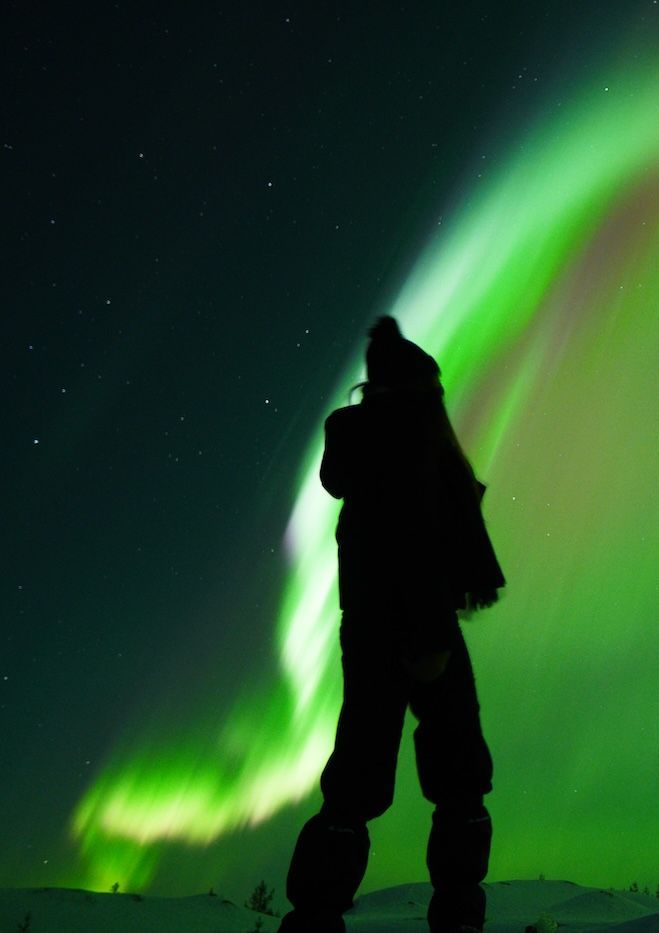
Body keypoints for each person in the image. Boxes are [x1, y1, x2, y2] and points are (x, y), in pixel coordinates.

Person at [279, 316, 505, 933]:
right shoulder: (412, 438)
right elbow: (415, 535)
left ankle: (315, 917)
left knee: (358, 772)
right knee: (456, 775)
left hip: (371, 620)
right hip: (417, 620)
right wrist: (430, 636)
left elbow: (336, 484)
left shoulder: (356, 431)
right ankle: (456, 917)